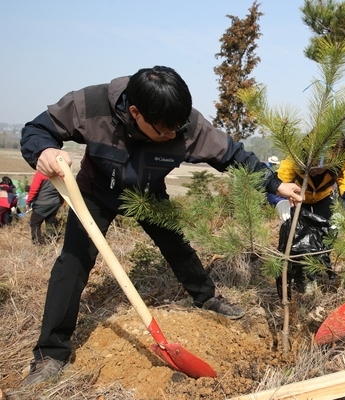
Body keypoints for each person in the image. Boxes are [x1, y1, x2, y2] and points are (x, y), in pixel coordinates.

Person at [19, 66, 303, 386]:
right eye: (165, 131)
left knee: (177, 246)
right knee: (72, 263)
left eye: (177, 128)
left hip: (147, 192)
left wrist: (274, 184)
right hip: (95, 192)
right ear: (136, 112)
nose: (173, 135)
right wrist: (43, 150)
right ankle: (50, 354)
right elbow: (37, 129)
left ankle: (207, 297)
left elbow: (232, 155)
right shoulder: (91, 105)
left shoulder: (187, 125)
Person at [275, 137, 345, 294]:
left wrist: (344, 212)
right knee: (298, 237)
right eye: (316, 160)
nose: (320, 167)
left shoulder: (342, 165)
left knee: (325, 234)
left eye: (327, 161)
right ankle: (298, 275)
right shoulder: (294, 158)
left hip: (323, 198)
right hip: (299, 198)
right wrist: (279, 202)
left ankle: (319, 271)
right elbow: (277, 183)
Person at [26, 171, 64, 245]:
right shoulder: (60, 174)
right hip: (55, 203)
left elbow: (34, 188)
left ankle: (38, 243)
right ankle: (51, 241)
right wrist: (61, 201)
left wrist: (28, 201)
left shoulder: (41, 173)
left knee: (35, 223)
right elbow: (62, 189)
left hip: (42, 203)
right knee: (50, 222)